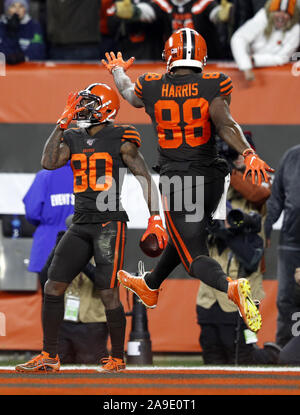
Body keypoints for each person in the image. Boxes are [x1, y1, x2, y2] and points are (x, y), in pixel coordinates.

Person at [102, 28, 274, 335]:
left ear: (169, 55)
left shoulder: (151, 84)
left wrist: (117, 70)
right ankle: (150, 285)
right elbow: (225, 123)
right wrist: (247, 153)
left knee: (194, 256)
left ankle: (230, 288)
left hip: (179, 182)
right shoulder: (213, 83)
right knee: (186, 239)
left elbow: (128, 94)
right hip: (212, 179)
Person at [15, 82, 167, 373]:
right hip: (81, 221)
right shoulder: (72, 136)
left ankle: (118, 358)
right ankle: (49, 355)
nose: (82, 109)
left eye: (90, 104)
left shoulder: (122, 137)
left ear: (106, 109)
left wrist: (155, 218)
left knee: (108, 292)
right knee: (53, 284)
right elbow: (48, 162)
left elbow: (144, 178)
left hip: (109, 223)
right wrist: (60, 124)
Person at [196, 134, 280, 365]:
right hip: (210, 290)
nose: (237, 158)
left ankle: (276, 358)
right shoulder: (214, 183)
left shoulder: (258, 179)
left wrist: (228, 170)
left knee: (243, 356)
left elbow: (259, 194)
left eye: (241, 154)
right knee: (212, 354)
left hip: (244, 287)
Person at [41, 226, 109, 365]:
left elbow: (104, 283)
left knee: (92, 368)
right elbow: (43, 280)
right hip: (64, 322)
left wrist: (80, 258)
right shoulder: (65, 252)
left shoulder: (105, 249)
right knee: (57, 368)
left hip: (92, 322)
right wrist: (56, 251)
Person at [107, 0, 233, 60]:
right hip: (172, 63)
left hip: (205, 62)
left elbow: (214, 13)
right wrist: (134, 12)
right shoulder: (162, 3)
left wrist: (223, 14)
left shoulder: (204, 2)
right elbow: (148, 11)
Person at [264, 144, 300, 348]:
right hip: (291, 244)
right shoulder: (292, 157)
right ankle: (287, 349)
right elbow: (275, 201)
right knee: (287, 300)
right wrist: (265, 230)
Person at [23, 161, 74, 296]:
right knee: (75, 302)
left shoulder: (44, 176)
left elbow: (32, 212)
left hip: (47, 243)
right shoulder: (86, 177)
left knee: (49, 301)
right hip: (78, 244)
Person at [230, 0, 300, 81]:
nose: (281, 16)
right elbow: (238, 38)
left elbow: (282, 57)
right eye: (277, 11)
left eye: (286, 13)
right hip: (249, 67)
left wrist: (255, 60)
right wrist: (245, 65)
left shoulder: (296, 30)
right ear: (271, 12)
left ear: (292, 17)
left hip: (279, 75)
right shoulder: (262, 18)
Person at [0, 0, 46, 64]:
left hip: (27, 68)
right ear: (7, 9)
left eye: (21, 6)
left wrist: (22, 57)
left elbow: (38, 50)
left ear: (25, 9)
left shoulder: (34, 26)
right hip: (4, 68)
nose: (17, 10)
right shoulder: (2, 25)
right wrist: (11, 33)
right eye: (13, 6)